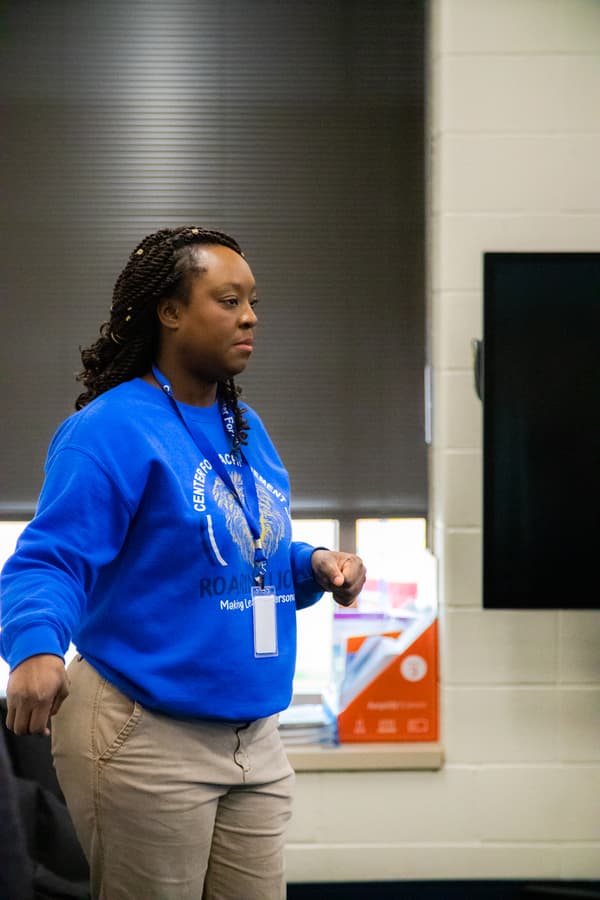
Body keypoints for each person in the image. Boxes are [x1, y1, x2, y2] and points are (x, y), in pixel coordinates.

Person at [0, 225, 366, 900]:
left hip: (253, 738)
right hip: (145, 732)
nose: (251, 316)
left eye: (253, 301)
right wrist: (35, 650)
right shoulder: (109, 430)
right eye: (228, 300)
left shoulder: (244, 429)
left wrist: (313, 563)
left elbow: (240, 554)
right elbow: (50, 559)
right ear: (170, 312)